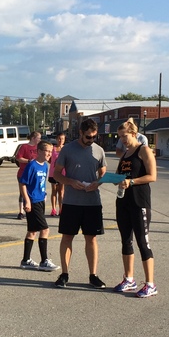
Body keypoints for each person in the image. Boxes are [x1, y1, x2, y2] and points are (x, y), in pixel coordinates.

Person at [52, 117, 107, 289]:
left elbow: (103, 174)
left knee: (91, 238)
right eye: (88, 137)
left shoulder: (99, 151)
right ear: (81, 133)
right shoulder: (68, 150)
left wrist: (97, 183)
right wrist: (69, 182)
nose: (91, 140)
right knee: (67, 237)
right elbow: (56, 174)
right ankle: (64, 274)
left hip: (92, 202)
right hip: (71, 202)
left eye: (94, 137)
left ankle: (93, 275)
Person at [113, 120, 158, 298]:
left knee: (142, 241)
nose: (122, 140)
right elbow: (119, 175)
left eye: (124, 136)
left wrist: (132, 181)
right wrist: (114, 179)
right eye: (120, 137)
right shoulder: (124, 154)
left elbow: (152, 176)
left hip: (139, 202)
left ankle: (150, 284)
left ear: (133, 133)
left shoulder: (143, 150)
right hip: (123, 202)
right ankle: (129, 278)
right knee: (126, 240)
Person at [19, 141, 58, 271]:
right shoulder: (32, 166)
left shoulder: (45, 166)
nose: (49, 154)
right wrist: (27, 201)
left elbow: (41, 183)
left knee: (32, 231)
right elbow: (23, 183)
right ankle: (44, 261)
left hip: (40, 200)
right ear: (39, 151)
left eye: (50, 152)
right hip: (33, 201)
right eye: (47, 151)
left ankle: (26, 260)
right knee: (45, 229)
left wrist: (45, 193)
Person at [15, 130, 41, 219]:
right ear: (33, 138)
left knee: (33, 192)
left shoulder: (38, 147)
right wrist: (28, 161)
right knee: (22, 193)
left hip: (35, 173)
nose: (40, 140)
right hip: (23, 172)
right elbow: (18, 158)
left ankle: (31, 210)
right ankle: (21, 212)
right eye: (38, 138)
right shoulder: (24, 147)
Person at [49, 132, 66, 217]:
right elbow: (49, 159)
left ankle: (61, 209)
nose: (61, 140)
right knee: (54, 191)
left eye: (62, 139)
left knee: (61, 191)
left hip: (63, 173)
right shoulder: (53, 148)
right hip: (53, 173)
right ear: (56, 139)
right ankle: (53, 209)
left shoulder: (66, 149)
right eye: (59, 138)